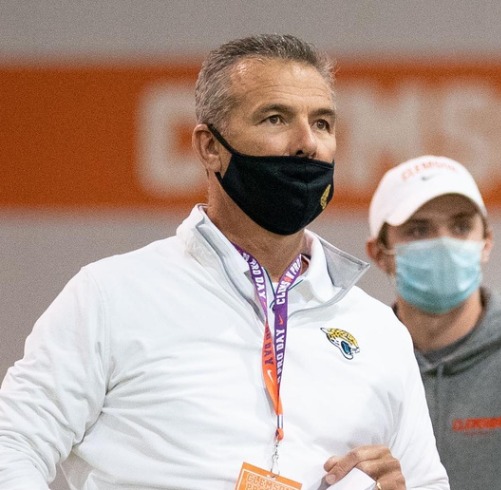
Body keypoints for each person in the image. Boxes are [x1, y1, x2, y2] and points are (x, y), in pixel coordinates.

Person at [0, 34, 448, 490]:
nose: (306, 143)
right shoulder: (111, 296)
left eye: (323, 123)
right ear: (209, 147)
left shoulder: (377, 331)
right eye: (275, 118)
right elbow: (11, 445)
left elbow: (428, 483)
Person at [365, 155, 501, 490]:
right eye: (418, 229)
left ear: (486, 244)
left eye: (461, 226)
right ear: (379, 253)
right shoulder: (354, 369)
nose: (443, 243)